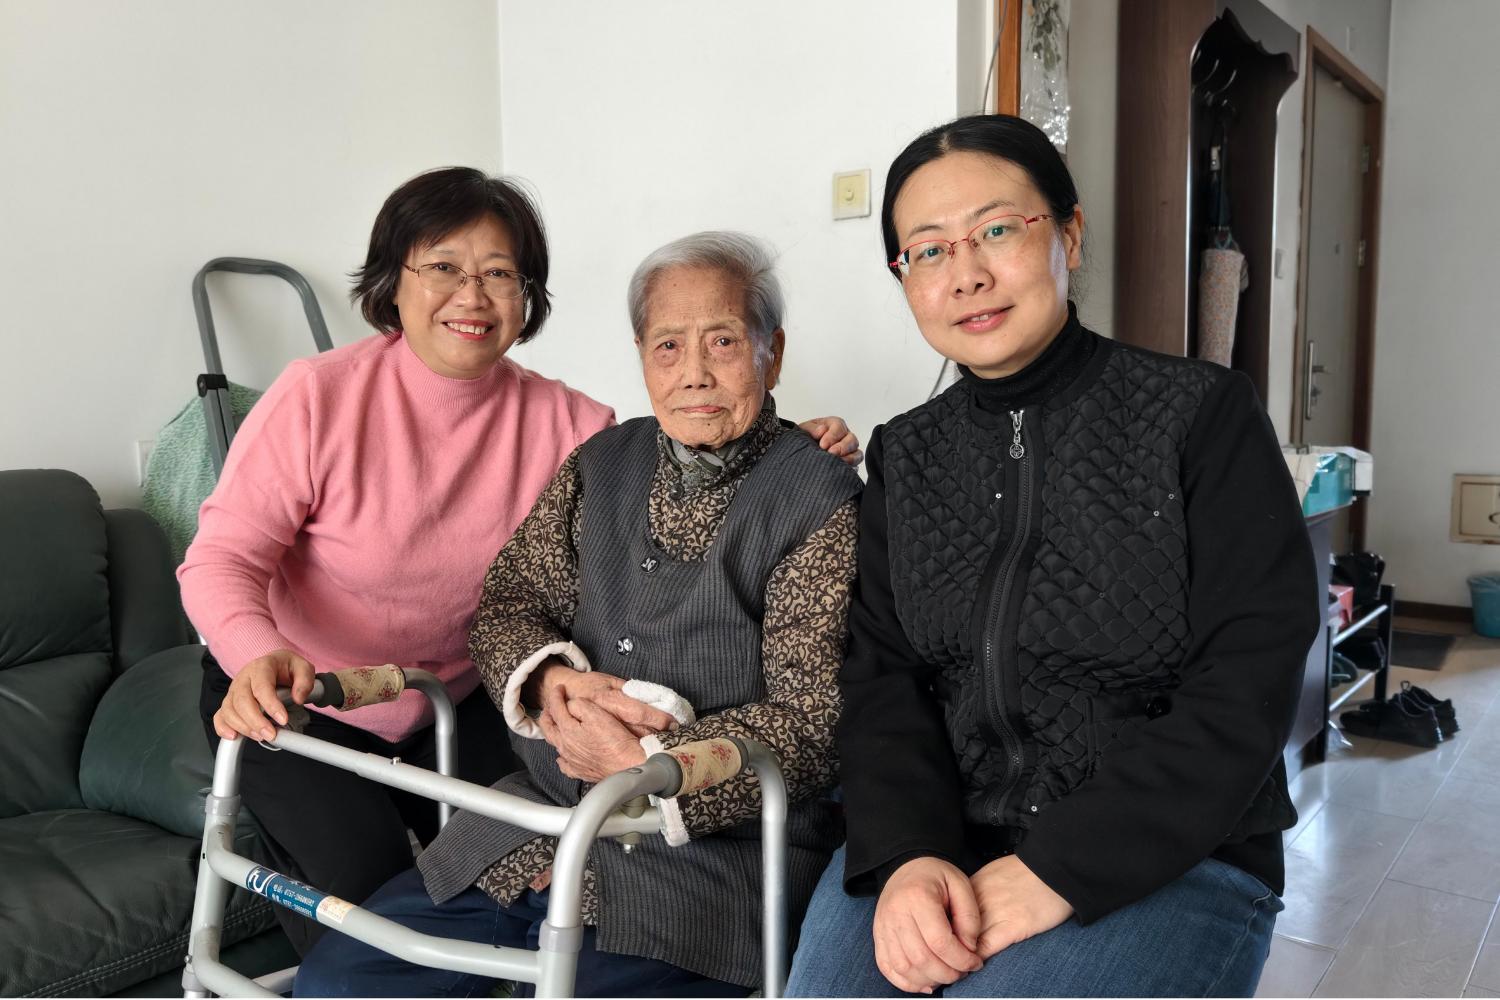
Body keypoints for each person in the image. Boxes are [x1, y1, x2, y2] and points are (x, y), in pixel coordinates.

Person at [178, 169, 859, 957]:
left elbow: (697, 454)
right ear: (394, 281)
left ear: (526, 295)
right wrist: (257, 657)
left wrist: (789, 450)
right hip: (301, 691)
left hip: (453, 697)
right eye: (443, 267)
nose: (471, 296)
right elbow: (220, 558)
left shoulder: (574, 425)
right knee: (366, 909)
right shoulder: (317, 396)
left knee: (477, 877)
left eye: (499, 273)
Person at [786, 114, 1319, 998]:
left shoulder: (1201, 414)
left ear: (1069, 233)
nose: (966, 274)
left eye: (998, 230)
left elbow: (1248, 678)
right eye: (929, 250)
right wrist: (909, 854)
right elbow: (883, 679)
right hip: (948, 837)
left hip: (1176, 850)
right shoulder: (905, 455)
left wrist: (1059, 867)